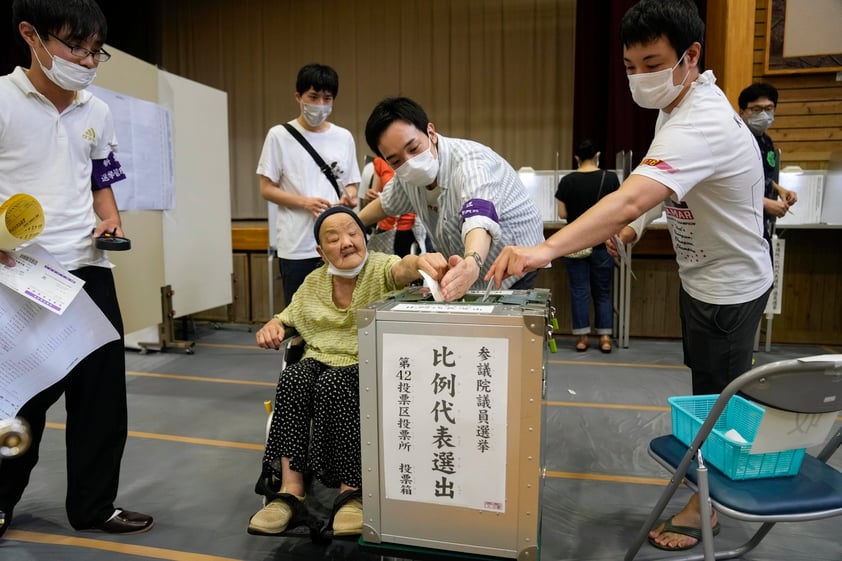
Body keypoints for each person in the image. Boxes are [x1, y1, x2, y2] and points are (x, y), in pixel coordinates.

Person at [487, 0, 772, 551]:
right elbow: (657, 191)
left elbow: (629, 197)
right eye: (630, 66)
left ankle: (707, 505)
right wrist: (640, 226)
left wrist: (543, 250)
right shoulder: (678, 106)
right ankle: (707, 487)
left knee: (721, 401)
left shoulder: (704, 119)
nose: (639, 77)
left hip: (730, 287)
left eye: (652, 62)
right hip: (701, 278)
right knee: (704, 389)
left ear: (691, 57)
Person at [0, 0, 153, 537]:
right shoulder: (0, 100)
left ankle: (94, 506)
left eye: (95, 52)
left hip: (88, 267)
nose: (86, 62)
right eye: (74, 47)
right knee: (22, 397)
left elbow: (101, 179)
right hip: (19, 272)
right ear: (30, 35)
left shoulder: (97, 111)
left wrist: (109, 220)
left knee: (102, 397)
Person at [247, 206, 445, 537]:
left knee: (333, 384)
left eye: (354, 233)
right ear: (320, 252)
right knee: (294, 379)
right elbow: (288, 316)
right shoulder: (313, 282)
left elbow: (403, 268)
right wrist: (274, 324)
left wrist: (420, 262)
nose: (347, 242)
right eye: (334, 238)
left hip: (369, 362)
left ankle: (351, 493)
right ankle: (290, 493)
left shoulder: (381, 268)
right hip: (321, 356)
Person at [357, 96, 545, 302]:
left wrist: (472, 260)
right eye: (395, 160)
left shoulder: (471, 163)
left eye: (413, 148)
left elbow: (480, 216)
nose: (409, 163)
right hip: (466, 268)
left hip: (511, 264)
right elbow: (386, 204)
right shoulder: (405, 176)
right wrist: (351, 223)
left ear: (431, 133)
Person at [257, 63, 361, 309]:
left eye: (327, 98)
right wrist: (306, 203)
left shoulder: (343, 137)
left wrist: (350, 199)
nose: (320, 104)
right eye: (313, 97)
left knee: (342, 311)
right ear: (298, 97)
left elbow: (352, 183)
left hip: (339, 244)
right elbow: (266, 187)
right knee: (300, 314)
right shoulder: (279, 135)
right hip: (297, 245)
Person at [555, 139, 620, 353]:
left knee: (579, 290)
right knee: (602, 291)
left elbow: (562, 214)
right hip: (602, 243)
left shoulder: (567, 181)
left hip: (574, 244)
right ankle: (605, 337)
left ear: (577, 158)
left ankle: (582, 337)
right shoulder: (610, 179)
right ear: (597, 156)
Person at [738, 82, 797, 262]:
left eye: (769, 108)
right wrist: (763, 203)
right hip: (740, 225)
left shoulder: (766, 141)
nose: (763, 115)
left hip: (761, 222)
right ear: (742, 112)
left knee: (765, 272)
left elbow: (761, 176)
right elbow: (731, 186)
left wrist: (780, 190)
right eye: (756, 109)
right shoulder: (736, 142)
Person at [363, 156, 426, 257]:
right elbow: (375, 196)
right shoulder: (380, 161)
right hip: (385, 229)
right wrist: (370, 196)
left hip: (410, 229)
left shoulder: (414, 160)